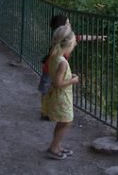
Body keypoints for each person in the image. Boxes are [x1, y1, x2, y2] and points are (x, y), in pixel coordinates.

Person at [41, 25, 78, 160]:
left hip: (57, 96)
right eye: (74, 42)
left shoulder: (53, 56)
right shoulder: (63, 62)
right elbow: (58, 83)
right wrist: (72, 81)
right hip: (62, 97)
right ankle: (53, 148)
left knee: (63, 121)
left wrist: (68, 77)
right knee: (66, 121)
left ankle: (57, 146)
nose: (76, 43)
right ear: (68, 44)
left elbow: (57, 77)